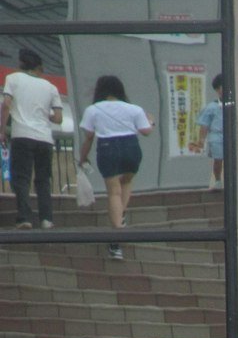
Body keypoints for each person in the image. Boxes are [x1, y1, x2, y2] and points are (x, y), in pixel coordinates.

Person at [78, 75, 154, 260]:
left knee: (113, 193)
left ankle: (116, 241)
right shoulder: (134, 109)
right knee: (126, 184)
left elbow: (89, 137)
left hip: (107, 148)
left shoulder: (93, 110)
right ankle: (120, 218)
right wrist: (151, 121)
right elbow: (146, 132)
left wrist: (83, 157)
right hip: (131, 147)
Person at [1, 47, 62, 230]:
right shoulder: (51, 87)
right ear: (39, 68)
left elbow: (6, 105)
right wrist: (45, 115)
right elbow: (58, 118)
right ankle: (46, 219)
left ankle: (24, 217)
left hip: (22, 136)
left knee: (21, 178)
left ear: (21, 64)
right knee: (43, 179)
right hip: (45, 138)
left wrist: (2, 130)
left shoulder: (13, 79)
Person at [194, 73, 224, 189]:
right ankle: (217, 179)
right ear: (217, 89)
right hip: (216, 136)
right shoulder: (211, 107)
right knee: (218, 159)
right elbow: (204, 125)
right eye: (222, 87)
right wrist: (201, 140)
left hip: (231, 136)